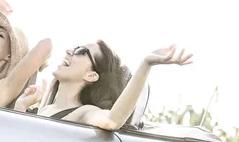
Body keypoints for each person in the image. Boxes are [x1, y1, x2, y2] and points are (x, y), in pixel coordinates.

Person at [14, 41, 192, 130]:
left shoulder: (84, 112)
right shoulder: (44, 110)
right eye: (75, 47)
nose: (70, 51)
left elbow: (112, 120)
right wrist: (21, 106)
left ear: (91, 75)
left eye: (81, 52)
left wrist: (146, 64)